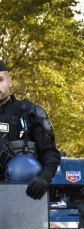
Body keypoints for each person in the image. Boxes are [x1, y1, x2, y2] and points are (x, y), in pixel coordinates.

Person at [0, 60, 60, 198]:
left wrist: (44, 179)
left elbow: (50, 153)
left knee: (23, 166)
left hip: (21, 199)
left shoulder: (29, 113)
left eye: (0, 79)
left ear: (10, 81)